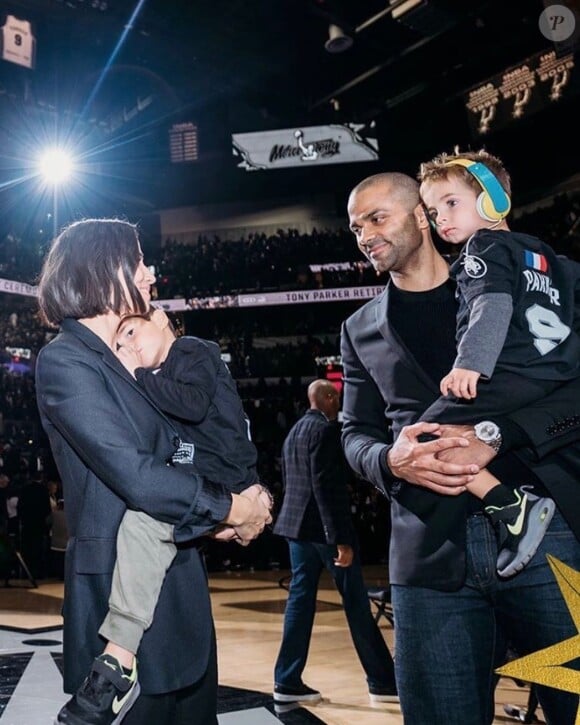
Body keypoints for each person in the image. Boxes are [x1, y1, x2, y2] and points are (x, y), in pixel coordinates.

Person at [341, 172, 580, 724]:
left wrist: (499, 436)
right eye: (356, 227)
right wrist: (388, 459)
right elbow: (353, 435)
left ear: (423, 216)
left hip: (549, 537)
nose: (365, 235)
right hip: (428, 553)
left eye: (378, 219)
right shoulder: (359, 329)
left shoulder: (512, 282)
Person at [35, 219, 272, 725]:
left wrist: (239, 495)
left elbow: (186, 451)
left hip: (181, 586)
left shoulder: (139, 360)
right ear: (105, 268)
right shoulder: (65, 361)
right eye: (140, 261)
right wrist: (233, 507)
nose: (150, 273)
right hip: (116, 604)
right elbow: (139, 477)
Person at [74, 305, 265, 722]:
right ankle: (121, 652)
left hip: (223, 472)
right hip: (206, 476)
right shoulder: (159, 378)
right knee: (148, 532)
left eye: (131, 332)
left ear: (159, 318)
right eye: (118, 341)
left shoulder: (193, 350)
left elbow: (194, 406)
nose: (126, 345)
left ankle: (118, 654)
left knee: (144, 525)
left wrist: (138, 376)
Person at [414, 149, 580, 577]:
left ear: (493, 199)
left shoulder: (482, 246)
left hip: (506, 373)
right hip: (553, 376)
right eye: (433, 211)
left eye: (451, 202)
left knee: (423, 441)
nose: (441, 219)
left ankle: (512, 508)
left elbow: (492, 304)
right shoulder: (546, 255)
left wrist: (471, 363)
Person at [273, 379, 397, 711]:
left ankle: (286, 680)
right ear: (327, 398)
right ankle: (383, 680)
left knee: (300, 603)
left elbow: (294, 481)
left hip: (295, 528)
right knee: (356, 604)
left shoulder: (295, 431)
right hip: (323, 532)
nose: (337, 405)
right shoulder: (326, 431)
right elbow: (326, 488)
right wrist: (340, 538)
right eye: (336, 398)